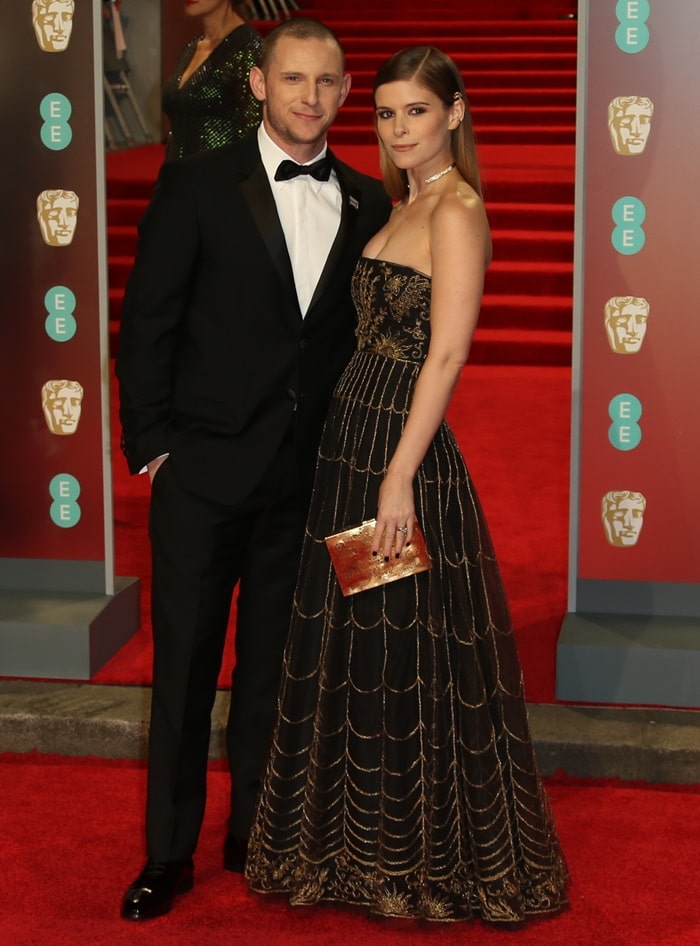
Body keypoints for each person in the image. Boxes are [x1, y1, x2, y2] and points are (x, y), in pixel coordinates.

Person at [245, 45, 569, 924]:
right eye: (385, 113)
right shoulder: (402, 205)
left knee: (403, 650)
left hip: (396, 453)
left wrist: (399, 479)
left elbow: (449, 353)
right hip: (353, 445)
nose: (398, 130)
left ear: (455, 115)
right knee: (364, 646)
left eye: (416, 112)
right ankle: (353, 850)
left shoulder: (456, 211)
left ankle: (410, 860)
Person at [115, 17, 391, 921]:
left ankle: (254, 835)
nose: (310, 97)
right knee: (186, 676)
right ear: (260, 87)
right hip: (200, 477)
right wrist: (155, 448)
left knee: (276, 672)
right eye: (293, 79)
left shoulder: (364, 202)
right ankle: (167, 855)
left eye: (327, 82)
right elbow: (147, 322)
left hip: (304, 484)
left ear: (345, 94)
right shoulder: (197, 183)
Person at [162, 0, 262, 159]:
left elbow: (255, 132)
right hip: (176, 176)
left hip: (221, 177)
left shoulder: (248, 46)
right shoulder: (191, 47)